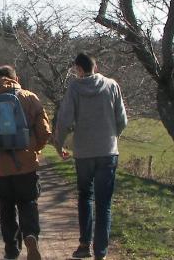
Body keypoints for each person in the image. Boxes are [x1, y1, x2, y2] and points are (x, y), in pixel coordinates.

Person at [0, 65, 52, 260]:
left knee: (5, 208)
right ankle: (31, 236)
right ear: (16, 78)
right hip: (25, 166)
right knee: (28, 202)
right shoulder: (29, 97)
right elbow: (44, 131)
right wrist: (35, 150)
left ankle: (11, 249)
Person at [54, 53, 128, 260]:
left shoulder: (75, 88)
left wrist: (59, 145)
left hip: (84, 153)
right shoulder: (112, 85)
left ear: (78, 68)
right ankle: (101, 252)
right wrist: (113, 136)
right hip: (108, 151)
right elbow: (122, 119)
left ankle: (84, 245)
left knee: (85, 196)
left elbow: (65, 120)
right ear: (95, 67)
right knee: (104, 203)